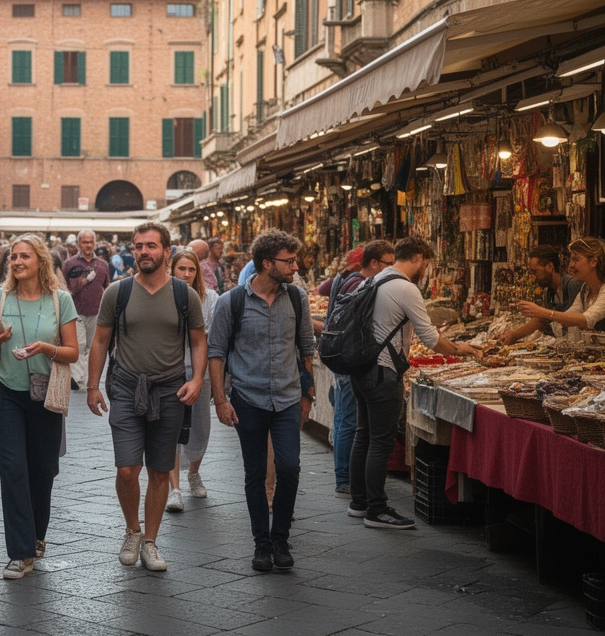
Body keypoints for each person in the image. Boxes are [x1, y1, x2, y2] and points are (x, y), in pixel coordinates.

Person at [87, 222, 206, 573]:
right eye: (138, 246)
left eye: (151, 246)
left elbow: (199, 341)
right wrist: (93, 386)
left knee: (158, 470)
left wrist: (197, 379)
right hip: (126, 387)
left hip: (170, 390)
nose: (144, 252)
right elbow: (99, 340)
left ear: (166, 251)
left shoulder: (185, 295)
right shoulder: (117, 292)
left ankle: (150, 541)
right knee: (126, 469)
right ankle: (132, 530)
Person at [351, 236, 480, 530]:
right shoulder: (405, 288)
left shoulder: (373, 280)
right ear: (419, 258)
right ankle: (376, 510)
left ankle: (358, 502)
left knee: (364, 435)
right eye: (426, 263)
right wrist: (462, 350)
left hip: (361, 369)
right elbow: (432, 339)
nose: (425, 268)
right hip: (383, 372)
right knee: (380, 442)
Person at [206, 230, 315, 572]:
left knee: (290, 468)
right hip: (248, 399)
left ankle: (281, 537)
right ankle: (262, 543)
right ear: (267, 263)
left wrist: (307, 393)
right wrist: (221, 400)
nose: (295, 266)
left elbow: (306, 348)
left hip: (286, 398)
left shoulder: (297, 298)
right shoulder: (231, 302)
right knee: (254, 473)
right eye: (289, 261)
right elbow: (216, 353)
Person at [0, 235, 79, 579]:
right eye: (13, 257)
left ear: (41, 261)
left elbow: (73, 352)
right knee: (13, 469)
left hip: (45, 395)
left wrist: (45, 349)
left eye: (25, 256)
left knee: (43, 471)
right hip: (6, 392)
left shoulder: (60, 300)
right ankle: (19, 552)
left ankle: (37, 535)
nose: (17, 262)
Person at [328, 240, 394, 498]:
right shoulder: (359, 284)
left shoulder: (350, 280)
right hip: (350, 358)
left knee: (346, 416)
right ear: (374, 263)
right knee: (348, 419)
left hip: (346, 357)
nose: (392, 269)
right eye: (389, 264)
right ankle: (344, 478)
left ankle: (347, 477)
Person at [166, 248, 219, 513]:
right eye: (181, 269)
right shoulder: (164, 296)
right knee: (172, 430)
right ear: (172, 270)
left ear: (197, 272)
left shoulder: (211, 299)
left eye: (191, 269)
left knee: (200, 427)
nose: (186, 274)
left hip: (201, 372)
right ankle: (174, 489)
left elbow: (216, 340)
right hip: (170, 372)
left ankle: (194, 474)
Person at [516, 237, 605, 338]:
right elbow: (567, 318)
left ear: (593, 261)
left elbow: (586, 320)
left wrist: (542, 312)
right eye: (571, 260)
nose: (570, 265)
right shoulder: (585, 291)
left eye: (576, 260)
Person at [501, 245, 586, 344]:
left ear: (550, 267)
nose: (533, 277)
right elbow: (542, 321)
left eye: (535, 271)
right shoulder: (548, 292)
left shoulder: (572, 285)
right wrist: (513, 335)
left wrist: (540, 311)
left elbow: (578, 320)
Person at [65, 230, 109, 394]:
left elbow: (106, 287)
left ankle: (91, 377)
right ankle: (77, 378)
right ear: (79, 244)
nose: (88, 245)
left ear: (95, 243)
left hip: (97, 311)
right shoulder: (70, 263)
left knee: (93, 346)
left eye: (91, 242)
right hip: (76, 311)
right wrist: (82, 282)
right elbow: (65, 288)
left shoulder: (103, 265)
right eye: (85, 242)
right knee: (80, 344)